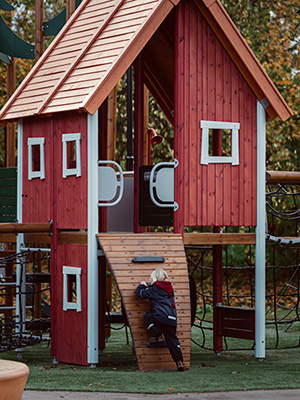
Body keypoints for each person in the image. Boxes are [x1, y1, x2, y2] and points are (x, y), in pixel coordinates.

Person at [136, 268, 185, 371]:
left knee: (147, 316)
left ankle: (157, 335)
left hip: (159, 317)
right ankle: (179, 362)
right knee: (172, 341)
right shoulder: (170, 288)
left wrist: (142, 285)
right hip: (172, 318)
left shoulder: (154, 289)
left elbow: (140, 294)